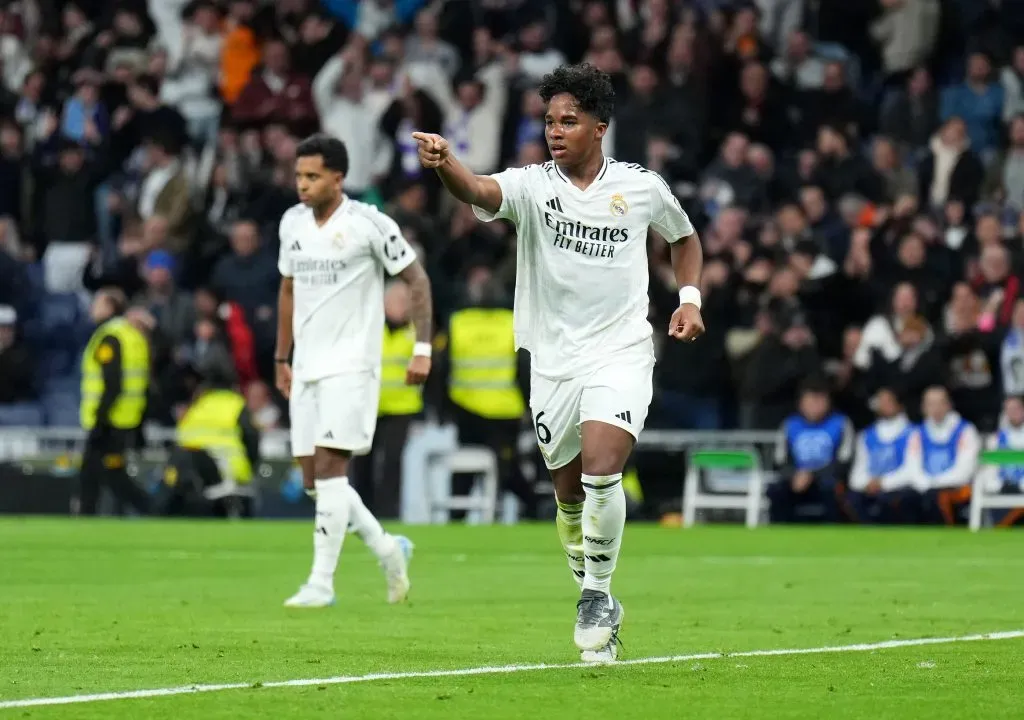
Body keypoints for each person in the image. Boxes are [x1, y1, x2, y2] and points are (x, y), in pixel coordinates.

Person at [413, 62, 705, 662]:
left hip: (621, 351)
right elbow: (479, 191)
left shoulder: (640, 187)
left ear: (599, 127)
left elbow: (683, 236)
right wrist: (447, 165)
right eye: (549, 121)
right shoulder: (531, 186)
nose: (555, 131)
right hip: (551, 361)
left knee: (602, 469)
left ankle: (596, 596)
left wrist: (690, 299)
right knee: (569, 499)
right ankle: (593, 585)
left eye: (568, 120)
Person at [276, 134, 435, 608]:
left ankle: (321, 583)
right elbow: (288, 290)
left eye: (313, 176)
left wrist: (422, 347)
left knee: (331, 469)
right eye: (299, 176)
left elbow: (417, 280)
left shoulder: (369, 223)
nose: (303, 184)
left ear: (338, 178)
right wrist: (282, 358)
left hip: (351, 365)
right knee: (314, 482)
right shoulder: (292, 223)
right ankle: (388, 549)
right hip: (306, 366)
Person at [78, 289, 152, 516]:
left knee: (92, 473)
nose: (92, 308)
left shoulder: (110, 337)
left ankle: (85, 516)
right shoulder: (133, 335)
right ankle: (153, 510)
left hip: (109, 420)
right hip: (127, 418)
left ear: (110, 308)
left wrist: (100, 418)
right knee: (112, 474)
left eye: (97, 303)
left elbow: (112, 382)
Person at [158, 364, 261, 518]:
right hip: (228, 471)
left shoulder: (197, 406)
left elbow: (181, 437)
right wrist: (251, 467)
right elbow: (252, 439)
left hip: (189, 471)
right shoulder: (236, 404)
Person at [768, 379, 855, 524]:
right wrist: (794, 475)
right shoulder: (790, 425)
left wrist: (812, 475)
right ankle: (780, 530)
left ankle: (831, 530)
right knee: (776, 490)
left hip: (827, 479)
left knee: (832, 489)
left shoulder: (841, 423)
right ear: (801, 403)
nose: (814, 407)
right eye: (810, 402)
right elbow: (779, 461)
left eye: (819, 401)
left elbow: (844, 461)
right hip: (796, 479)